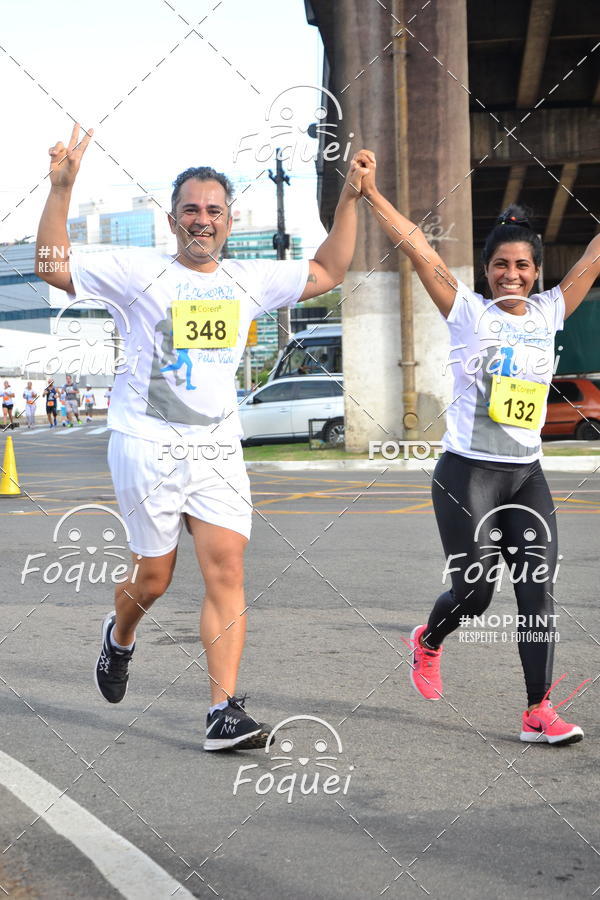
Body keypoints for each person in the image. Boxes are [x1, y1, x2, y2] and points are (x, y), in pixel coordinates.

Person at [36, 123, 369, 752]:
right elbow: (53, 268)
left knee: (227, 569)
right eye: (191, 209)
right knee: (154, 580)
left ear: (229, 218)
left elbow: (328, 268)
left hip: (216, 447)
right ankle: (120, 636)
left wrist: (349, 199)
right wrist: (61, 189)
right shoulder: (138, 271)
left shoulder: (246, 280)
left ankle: (222, 711)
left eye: (214, 210)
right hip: (146, 443)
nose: (202, 219)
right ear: (172, 218)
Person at [360, 149, 595, 745]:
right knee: (476, 591)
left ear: (537, 272)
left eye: (521, 265)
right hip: (467, 473)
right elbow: (418, 246)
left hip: (526, 476)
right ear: (486, 271)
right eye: (499, 265)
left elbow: (595, 254)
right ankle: (429, 640)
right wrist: (370, 193)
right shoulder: (468, 313)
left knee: (537, 591)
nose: (510, 274)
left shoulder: (549, 313)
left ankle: (538, 711)